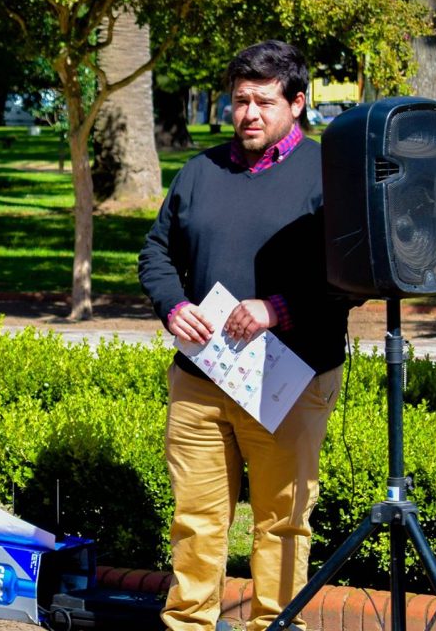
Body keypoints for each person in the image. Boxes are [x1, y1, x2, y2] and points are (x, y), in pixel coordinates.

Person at [137, 40, 352, 631]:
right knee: (197, 519)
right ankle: (188, 624)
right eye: (239, 101)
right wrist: (172, 304)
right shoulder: (199, 172)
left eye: (263, 101)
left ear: (297, 104)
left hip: (287, 378)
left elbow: (351, 276)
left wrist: (278, 308)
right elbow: (156, 252)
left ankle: (277, 626)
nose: (249, 113)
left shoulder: (326, 176)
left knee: (281, 521)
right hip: (200, 380)